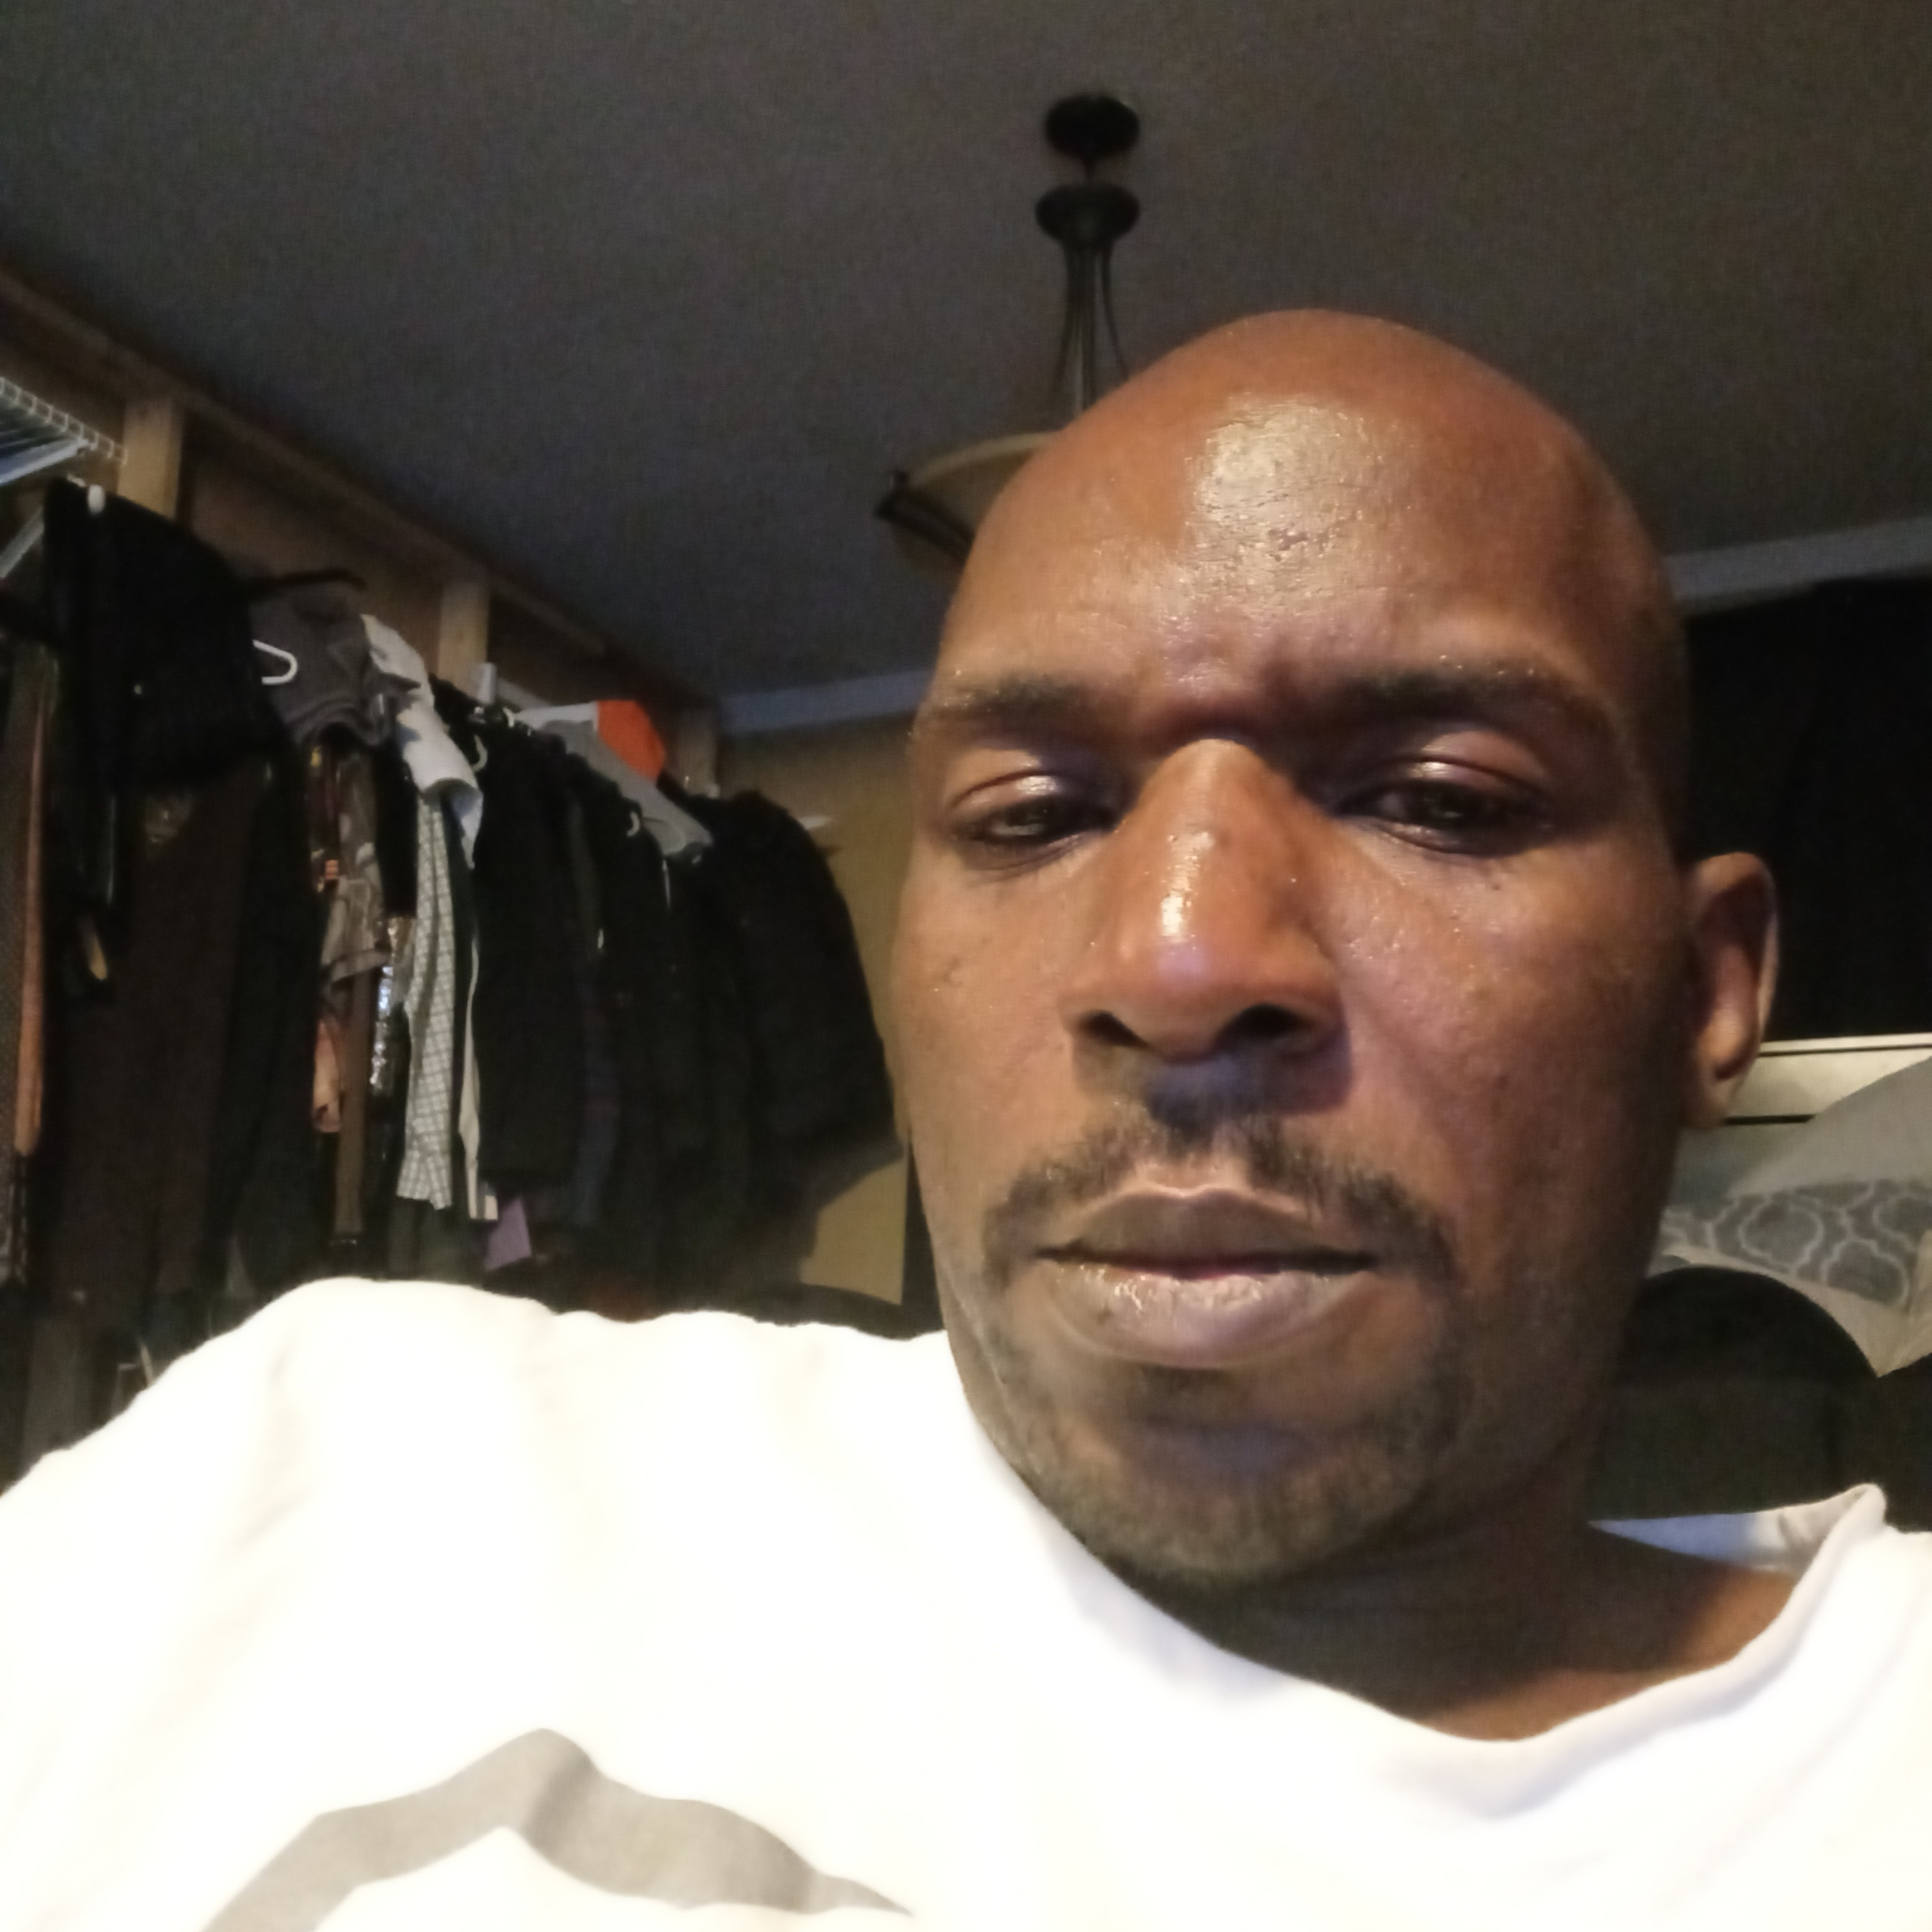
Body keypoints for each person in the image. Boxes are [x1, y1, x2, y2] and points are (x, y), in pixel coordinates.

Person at [1, 314, 1926, 1931]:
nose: (1180, 960)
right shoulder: (335, 1482)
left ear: (1710, 992)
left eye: (1438, 799)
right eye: (1034, 816)